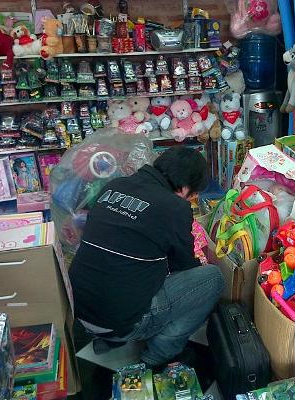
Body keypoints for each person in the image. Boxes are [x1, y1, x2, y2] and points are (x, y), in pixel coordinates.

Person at [69, 146, 224, 368]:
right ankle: (160, 354)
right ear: (184, 188)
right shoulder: (174, 207)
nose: (193, 199)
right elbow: (185, 266)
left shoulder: (114, 186)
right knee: (212, 278)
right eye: (194, 194)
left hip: (79, 310)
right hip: (120, 320)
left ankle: (109, 339)